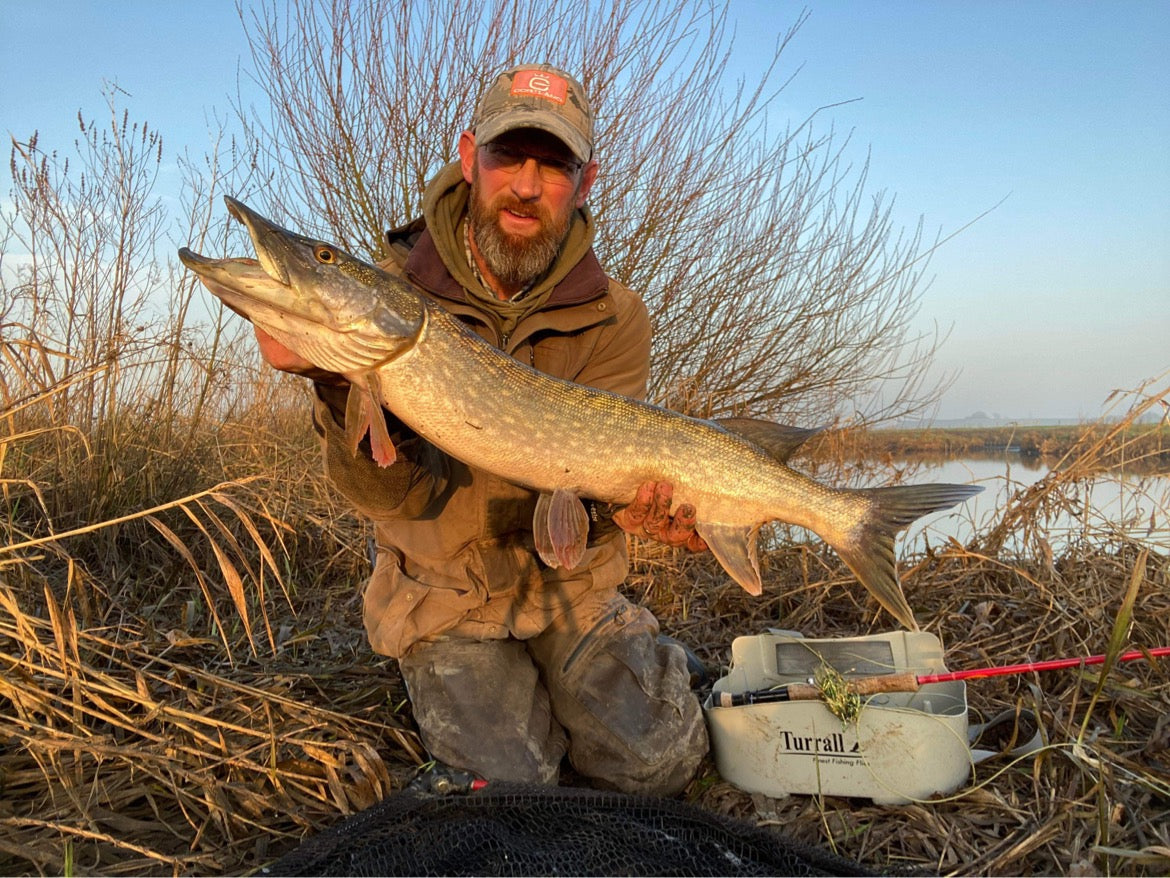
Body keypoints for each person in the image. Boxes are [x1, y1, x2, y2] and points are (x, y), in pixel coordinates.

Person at [254, 64, 709, 796]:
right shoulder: (395, 294)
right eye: (508, 157)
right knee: (511, 792)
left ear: (584, 184)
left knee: (659, 765)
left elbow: (597, 481)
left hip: (572, 584)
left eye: (553, 165)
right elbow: (394, 499)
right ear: (470, 158)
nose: (526, 185)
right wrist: (335, 379)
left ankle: (647, 670)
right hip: (448, 594)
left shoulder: (616, 316)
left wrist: (638, 508)